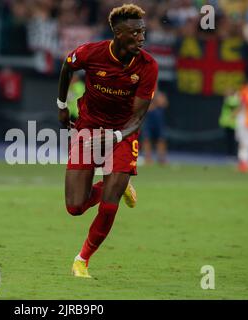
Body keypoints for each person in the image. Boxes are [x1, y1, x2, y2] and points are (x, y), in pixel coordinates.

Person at [57, 4, 158, 278]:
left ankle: (82, 260)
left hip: (123, 132)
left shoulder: (148, 66)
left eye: (143, 32)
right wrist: (61, 104)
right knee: (75, 206)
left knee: (110, 201)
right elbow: (67, 66)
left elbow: (138, 118)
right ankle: (115, 185)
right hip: (88, 127)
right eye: (135, 33)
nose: (142, 38)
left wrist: (113, 136)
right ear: (118, 33)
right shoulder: (92, 53)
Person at [142, 87, 168, 164]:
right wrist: (154, 103)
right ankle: (147, 158)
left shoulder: (161, 94)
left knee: (161, 140)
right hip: (149, 122)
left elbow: (164, 104)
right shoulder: (147, 94)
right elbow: (146, 108)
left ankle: (161, 159)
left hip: (159, 122)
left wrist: (158, 102)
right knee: (147, 139)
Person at [218, 88, 241, 157]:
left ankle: (233, 153)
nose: (226, 93)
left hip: (234, 123)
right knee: (229, 138)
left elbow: (236, 105)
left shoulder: (235, 99)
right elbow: (232, 104)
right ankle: (230, 153)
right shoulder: (229, 99)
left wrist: (238, 96)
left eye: (228, 92)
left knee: (234, 139)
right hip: (228, 122)